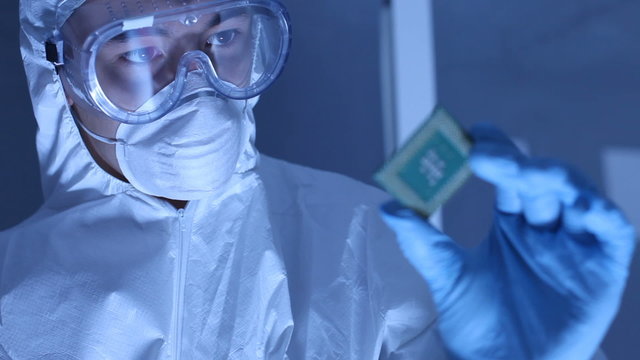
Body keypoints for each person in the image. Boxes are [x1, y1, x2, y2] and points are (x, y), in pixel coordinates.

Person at [0, 0, 634, 359]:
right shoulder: (11, 304)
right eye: (138, 51)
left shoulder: (370, 246)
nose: (197, 83)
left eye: (225, 35)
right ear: (55, 69)